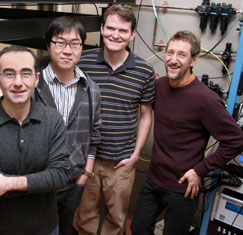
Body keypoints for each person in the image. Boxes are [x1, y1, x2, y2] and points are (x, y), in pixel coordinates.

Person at [131, 31, 243, 235]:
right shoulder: (159, 86)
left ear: (194, 60)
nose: (173, 60)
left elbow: (236, 140)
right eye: (170, 52)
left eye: (182, 55)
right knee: (138, 229)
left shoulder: (206, 100)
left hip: (183, 188)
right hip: (153, 180)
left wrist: (199, 170)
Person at [0, 46, 71, 235]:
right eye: (9, 74)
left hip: (46, 228)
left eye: (26, 74)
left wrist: (8, 183)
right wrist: (39, 181)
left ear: (36, 79)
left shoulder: (53, 120)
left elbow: (60, 175)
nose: (18, 82)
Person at [75, 5, 155, 235]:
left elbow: (146, 115)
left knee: (116, 219)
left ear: (132, 34)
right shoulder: (84, 63)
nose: (115, 35)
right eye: (110, 28)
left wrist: (136, 155)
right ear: (102, 29)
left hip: (121, 162)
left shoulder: (144, 71)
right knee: (84, 216)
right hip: (87, 158)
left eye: (122, 30)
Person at [33, 16, 101, 235]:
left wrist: (86, 172)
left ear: (81, 47)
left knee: (64, 229)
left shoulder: (91, 89)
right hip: (38, 184)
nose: (67, 50)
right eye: (60, 42)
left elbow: (95, 133)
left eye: (75, 43)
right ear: (48, 45)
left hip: (74, 182)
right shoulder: (32, 86)